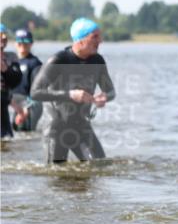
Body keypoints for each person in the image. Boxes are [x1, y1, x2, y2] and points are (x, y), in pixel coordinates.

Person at [30, 18, 116, 163]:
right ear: (80, 40)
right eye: (94, 37)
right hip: (56, 128)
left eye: (99, 36)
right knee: (57, 176)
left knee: (99, 165)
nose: (100, 40)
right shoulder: (58, 60)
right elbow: (35, 92)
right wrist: (70, 95)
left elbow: (111, 91)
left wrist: (105, 97)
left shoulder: (98, 61)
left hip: (82, 126)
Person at [11, 29, 45, 132]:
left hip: (31, 103)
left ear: (31, 44)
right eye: (20, 42)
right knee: (15, 132)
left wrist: (26, 109)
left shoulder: (35, 63)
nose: (22, 45)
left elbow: (38, 89)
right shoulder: (11, 61)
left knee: (25, 131)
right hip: (16, 103)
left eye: (26, 42)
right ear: (15, 43)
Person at [1, 25, 23, 140]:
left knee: (7, 138)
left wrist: (5, 69)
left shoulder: (11, 57)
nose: (4, 38)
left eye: (5, 36)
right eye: (0, 35)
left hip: (4, 103)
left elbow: (16, 81)